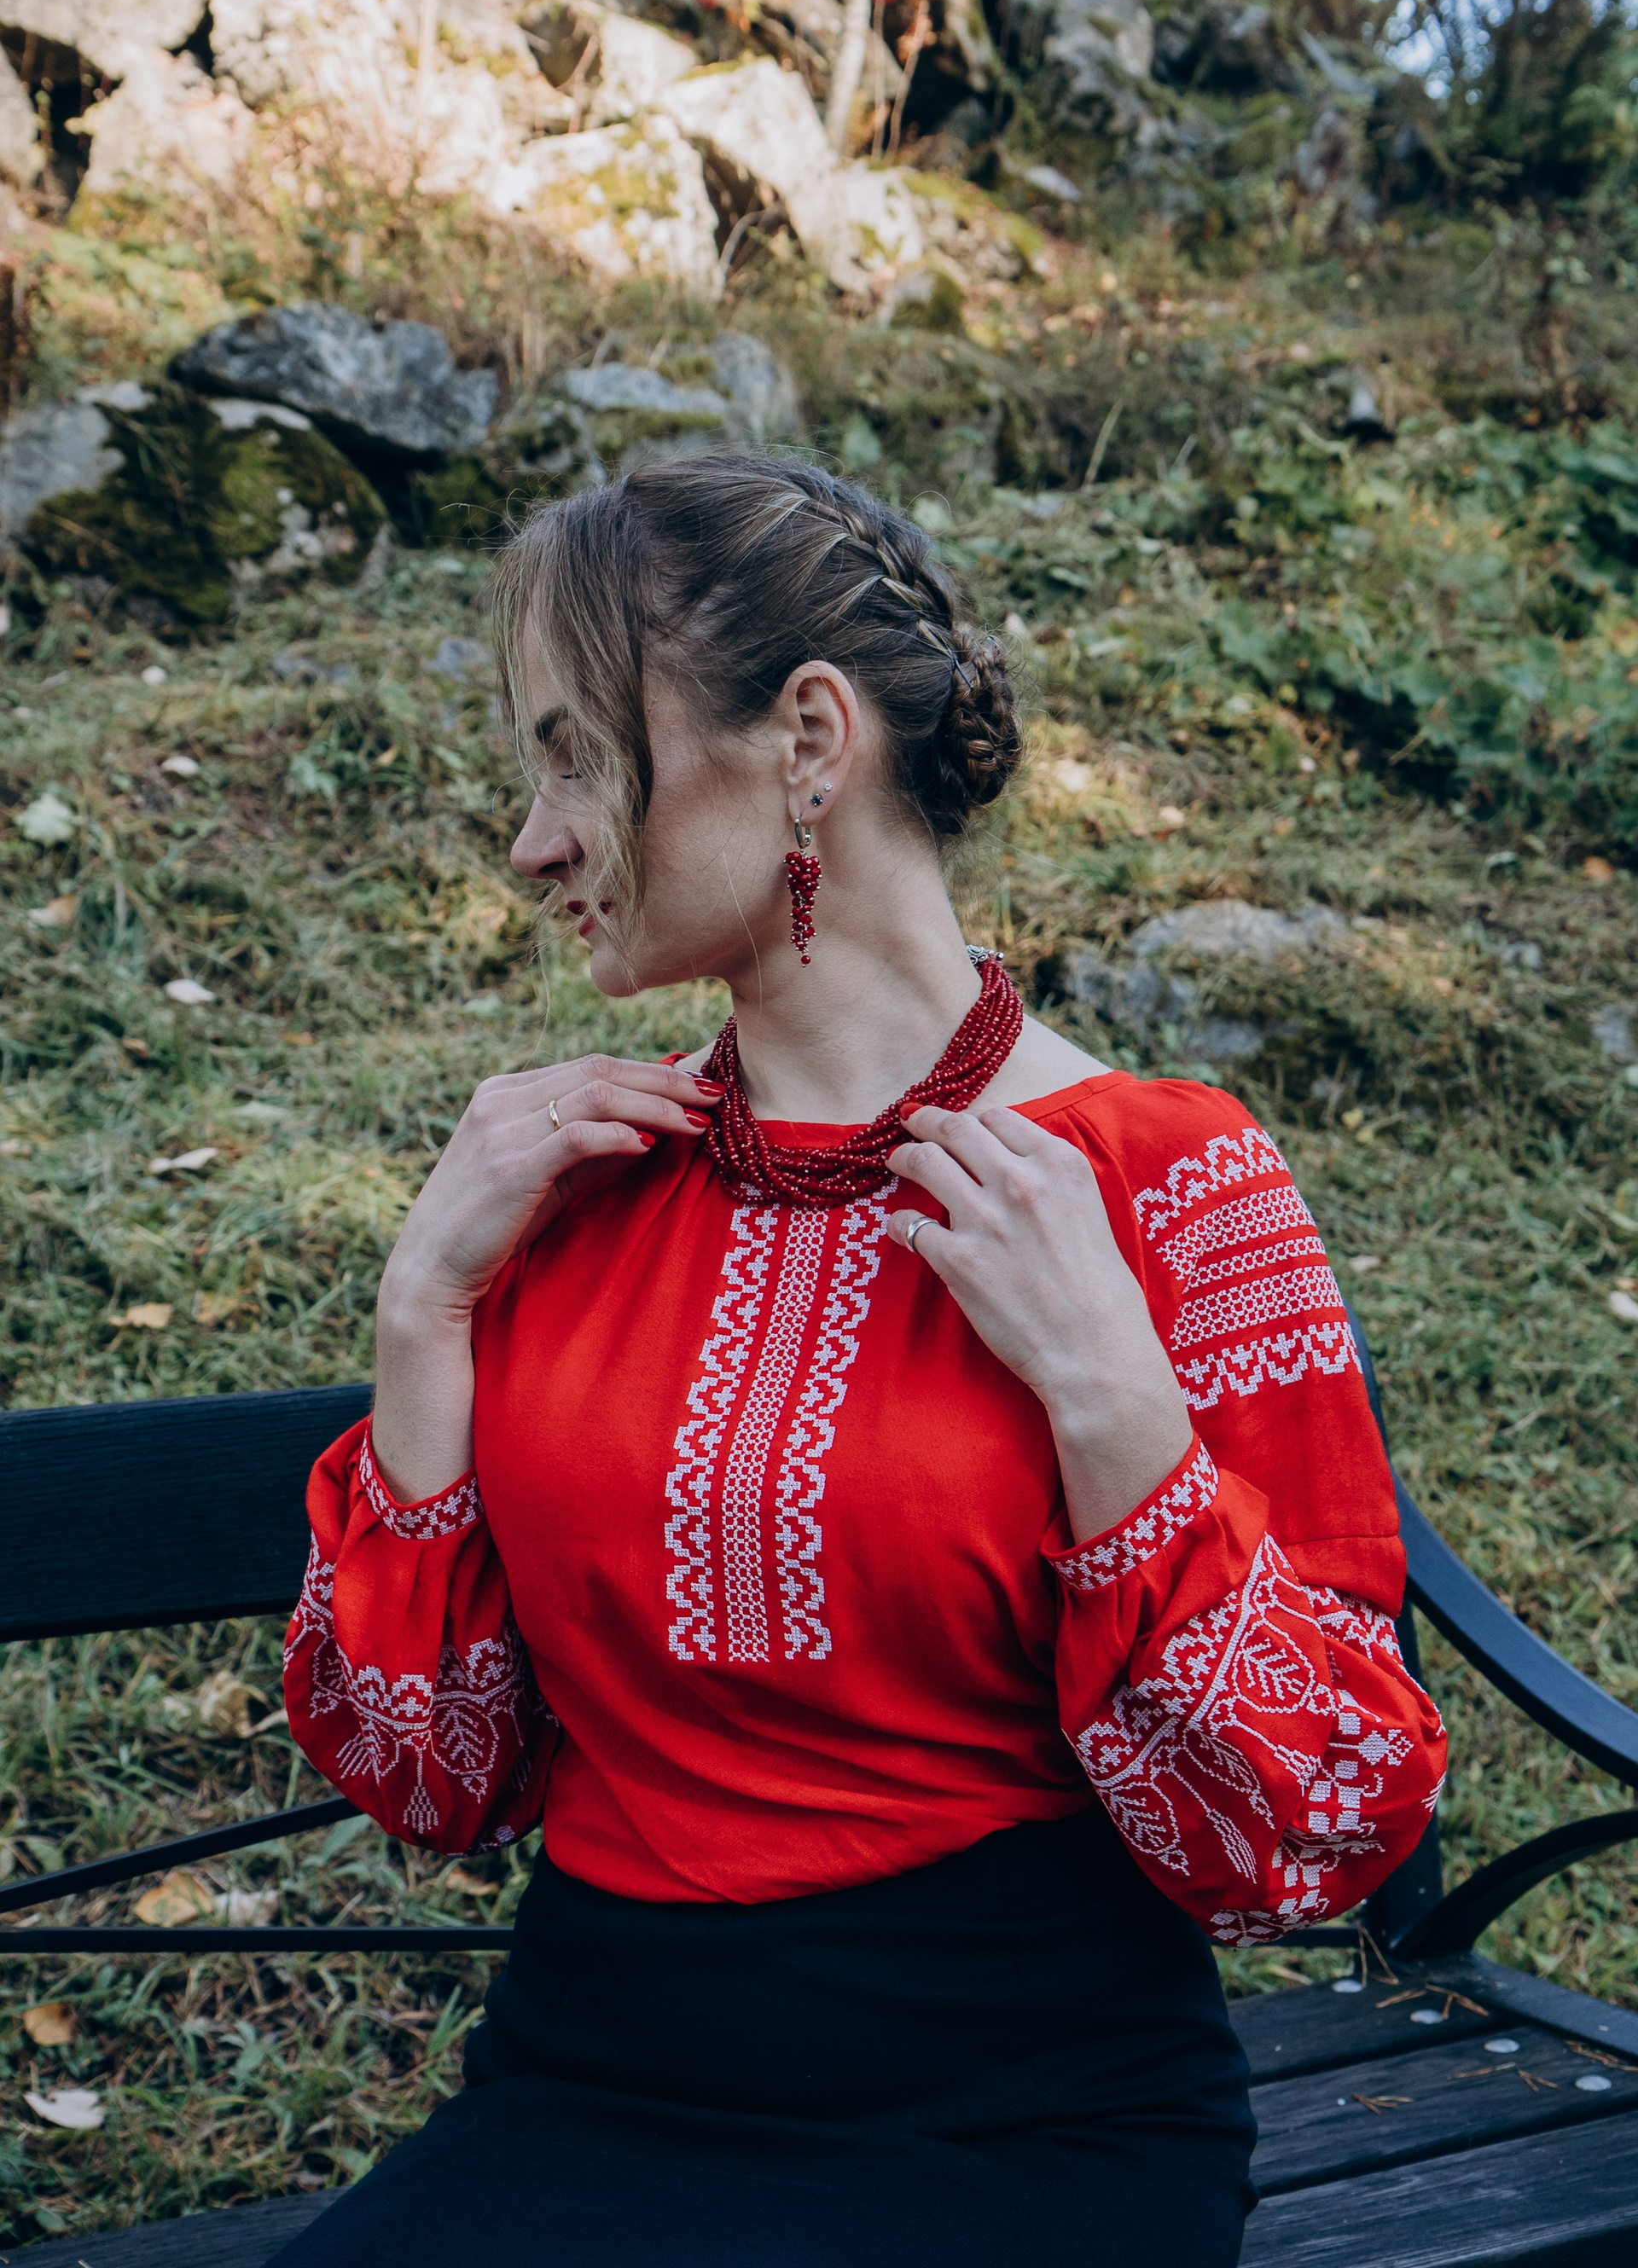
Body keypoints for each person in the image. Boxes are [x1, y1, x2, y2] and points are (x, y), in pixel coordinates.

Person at [273, 452, 1446, 2267]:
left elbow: (1316, 1831)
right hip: (590, 2097)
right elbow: (432, 1776)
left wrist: (1114, 1407)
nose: (534, 840)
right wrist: (422, 1308)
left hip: (1025, 2122)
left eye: (578, 757)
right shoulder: (576, 1189)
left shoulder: (1170, 1182)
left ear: (810, 741)